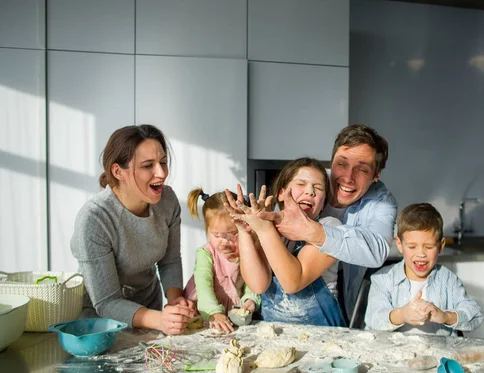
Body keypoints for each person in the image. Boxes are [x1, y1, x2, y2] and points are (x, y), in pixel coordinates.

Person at [257, 124, 398, 321]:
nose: (348, 177)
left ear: (376, 176)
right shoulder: (310, 182)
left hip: (334, 307)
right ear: (332, 161)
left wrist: (311, 232)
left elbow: (378, 250)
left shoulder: (382, 202)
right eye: (341, 164)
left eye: (362, 169)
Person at [70, 124, 195, 335]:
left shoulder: (168, 201)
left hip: (151, 312)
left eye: (163, 162)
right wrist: (160, 320)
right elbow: (107, 302)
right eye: (148, 165)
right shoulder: (94, 219)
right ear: (118, 171)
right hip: (101, 326)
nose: (162, 173)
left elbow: (170, 260)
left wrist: (176, 303)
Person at [226, 157, 345, 327]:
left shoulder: (331, 229)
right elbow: (258, 285)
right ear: (281, 193)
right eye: (301, 184)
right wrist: (244, 229)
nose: (310, 191)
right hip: (274, 333)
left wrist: (265, 230)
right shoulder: (269, 228)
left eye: (318, 188)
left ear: (323, 202)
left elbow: (292, 282)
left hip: (323, 336)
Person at [364, 203, 484, 335]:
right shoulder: (383, 279)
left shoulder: (447, 280)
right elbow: (372, 319)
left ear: (441, 246)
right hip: (394, 353)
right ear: (399, 244)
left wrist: (444, 316)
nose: (421, 254)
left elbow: (475, 314)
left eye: (428, 246)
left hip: (438, 353)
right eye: (412, 246)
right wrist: (402, 314)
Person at [182, 188, 261, 333]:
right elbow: (203, 286)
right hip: (205, 310)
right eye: (216, 235)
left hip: (231, 310)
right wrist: (213, 313)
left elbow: (251, 282)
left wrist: (250, 299)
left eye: (232, 234)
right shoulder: (206, 254)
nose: (224, 242)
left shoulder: (246, 251)